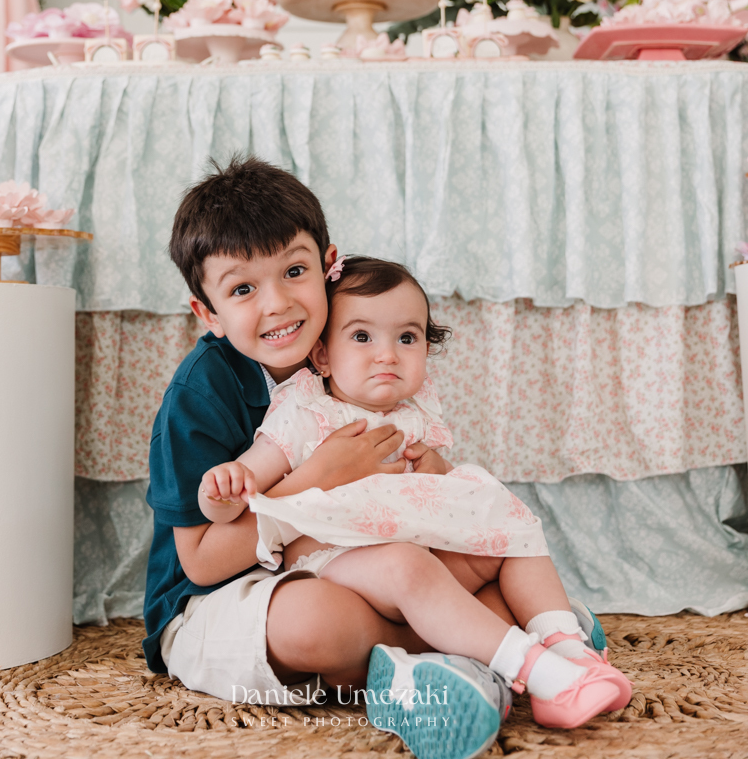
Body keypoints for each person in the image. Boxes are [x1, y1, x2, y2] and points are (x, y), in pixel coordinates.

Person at [144, 156, 515, 759]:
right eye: (242, 289)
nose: (277, 304)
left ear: (328, 265)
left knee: (487, 553)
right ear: (207, 312)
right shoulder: (201, 393)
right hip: (226, 597)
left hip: (355, 565)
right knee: (314, 621)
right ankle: (472, 651)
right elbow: (204, 563)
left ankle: (489, 642)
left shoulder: (362, 346)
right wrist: (316, 480)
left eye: (294, 271)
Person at [200, 254, 632, 730]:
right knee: (406, 565)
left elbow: (440, 495)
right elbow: (247, 480)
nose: (387, 354)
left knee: (512, 531)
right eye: (362, 337)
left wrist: (438, 468)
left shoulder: (416, 412)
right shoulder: (306, 412)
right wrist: (222, 487)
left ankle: (567, 645)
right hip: (340, 564)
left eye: (407, 338)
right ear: (322, 355)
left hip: (420, 559)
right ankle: (535, 671)